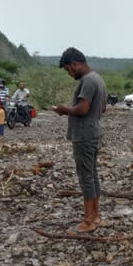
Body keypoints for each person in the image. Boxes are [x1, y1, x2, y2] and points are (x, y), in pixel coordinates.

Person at [52, 47, 107, 234]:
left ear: (74, 64)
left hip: (84, 135)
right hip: (94, 132)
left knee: (86, 178)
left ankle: (88, 220)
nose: (69, 73)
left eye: (68, 69)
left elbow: (83, 109)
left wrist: (64, 109)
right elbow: (103, 108)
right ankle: (96, 215)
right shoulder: (98, 78)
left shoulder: (87, 81)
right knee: (92, 175)